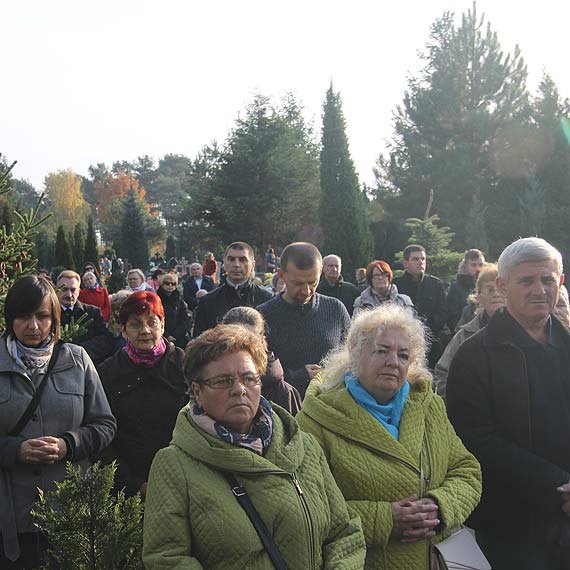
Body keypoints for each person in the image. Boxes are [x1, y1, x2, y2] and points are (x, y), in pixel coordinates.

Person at [142, 324, 366, 569]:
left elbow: (345, 531)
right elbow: (166, 559)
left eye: (249, 378)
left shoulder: (304, 446)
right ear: (197, 391)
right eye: (223, 381)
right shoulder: (174, 465)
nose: (239, 390)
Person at [297, 304, 482, 569]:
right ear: (355, 354)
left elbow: (467, 471)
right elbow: (306, 504)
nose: (393, 362)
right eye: (381, 351)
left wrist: (439, 506)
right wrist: (382, 520)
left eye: (403, 355)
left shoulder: (428, 406)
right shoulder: (318, 419)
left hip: (431, 560)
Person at [447, 237, 570, 569]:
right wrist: (556, 484)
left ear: (560, 282)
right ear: (502, 285)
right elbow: (474, 439)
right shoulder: (473, 356)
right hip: (511, 524)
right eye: (527, 280)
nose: (540, 290)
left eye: (547, 279)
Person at [0, 275, 116, 568]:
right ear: (10, 318)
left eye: (42, 316)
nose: (33, 326)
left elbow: (105, 424)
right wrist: (14, 450)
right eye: (23, 317)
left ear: (55, 318)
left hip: (70, 511)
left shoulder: (77, 360)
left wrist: (69, 444)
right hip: (11, 517)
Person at [98, 291, 188, 498]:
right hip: (129, 487)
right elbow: (103, 436)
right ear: (123, 330)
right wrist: (134, 485)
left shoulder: (185, 364)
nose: (145, 330)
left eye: (152, 322)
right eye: (136, 324)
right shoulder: (108, 372)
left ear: (163, 325)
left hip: (183, 480)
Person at [258, 242, 351, 398]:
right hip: (283, 410)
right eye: (298, 283)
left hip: (330, 407)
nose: (306, 290)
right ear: (281, 275)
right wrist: (297, 377)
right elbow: (253, 374)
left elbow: (354, 358)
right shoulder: (263, 316)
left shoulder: (335, 309)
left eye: (312, 282)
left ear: (320, 272)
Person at [434, 264, 504, 399]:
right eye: (490, 290)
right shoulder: (465, 335)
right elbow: (442, 373)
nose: (496, 294)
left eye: (500, 289)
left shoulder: (523, 330)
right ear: (479, 296)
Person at [222, 306, 302, 415]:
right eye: (234, 341)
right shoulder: (211, 385)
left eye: (251, 341)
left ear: (262, 342)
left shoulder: (283, 392)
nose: (244, 349)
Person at [193, 242, 272, 337]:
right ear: (224, 263)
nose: (236, 264)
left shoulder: (267, 300)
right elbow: (199, 344)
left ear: (253, 265)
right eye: (231, 259)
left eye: (243, 260)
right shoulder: (207, 302)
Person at [393, 244, 447, 368]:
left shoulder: (435, 284)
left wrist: (425, 330)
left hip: (430, 343)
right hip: (402, 342)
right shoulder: (396, 285)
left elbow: (443, 313)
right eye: (415, 259)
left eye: (423, 259)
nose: (420, 262)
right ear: (405, 263)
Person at [56, 270, 115, 365]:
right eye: (64, 289)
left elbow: (106, 340)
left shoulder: (93, 312)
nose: (69, 294)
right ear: (57, 290)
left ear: (79, 291)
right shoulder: (49, 314)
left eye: (73, 290)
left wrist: (78, 351)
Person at [446, 249, 485, 332]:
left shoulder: (490, 285)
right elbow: (452, 317)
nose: (478, 268)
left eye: (481, 265)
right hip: (464, 332)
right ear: (466, 266)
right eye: (473, 265)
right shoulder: (456, 287)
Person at [156, 273, 190, 349]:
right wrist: (167, 335)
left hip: (178, 338)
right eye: (167, 283)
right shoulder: (157, 299)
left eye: (173, 283)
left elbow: (184, 319)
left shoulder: (178, 299)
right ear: (162, 284)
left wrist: (175, 335)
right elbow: (156, 319)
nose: (170, 285)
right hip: (161, 336)